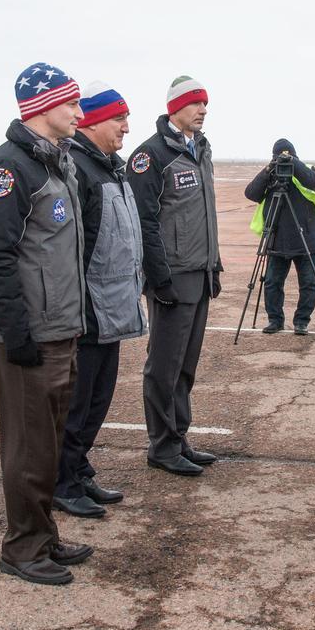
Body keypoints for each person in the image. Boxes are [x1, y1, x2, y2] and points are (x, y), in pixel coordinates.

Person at [0, 62, 94, 586]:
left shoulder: (55, 164)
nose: (80, 113)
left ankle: (43, 535)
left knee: (47, 440)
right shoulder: (8, 170)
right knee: (27, 445)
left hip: (59, 326)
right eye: (72, 104)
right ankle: (22, 548)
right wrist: (17, 335)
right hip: (28, 335)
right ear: (43, 106)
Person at [52, 82, 147, 519]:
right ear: (90, 121)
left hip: (113, 305)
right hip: (89, 309)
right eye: (118, 119)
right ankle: (62, 480)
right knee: (78, 402)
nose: (127, 127)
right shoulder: (80, 170)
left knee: (98, 399)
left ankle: (79, 468)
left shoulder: (111, 167)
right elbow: (71, 248)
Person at [126, 75, 222, 477]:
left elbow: (204, 215)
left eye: (205, 105)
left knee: (186, 365)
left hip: (199, 273)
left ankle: (179, 438)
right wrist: (158, 277)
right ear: (175, 108)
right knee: (163, 367)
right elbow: (144, 223)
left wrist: (213, 264)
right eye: (195, 104)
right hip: (172, 277)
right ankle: (161, 446)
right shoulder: (151, 156)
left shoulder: (200, 150)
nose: (202, 111)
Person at [243, 138, 315, 335]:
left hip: (306, 238)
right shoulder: (271, 173)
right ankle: (275, 320)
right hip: (277, 238)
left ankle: (301, 321)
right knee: (271, 282)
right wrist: (268, 169)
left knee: (308, 283)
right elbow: (251, 194)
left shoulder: (306, 169)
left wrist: (294, 163)